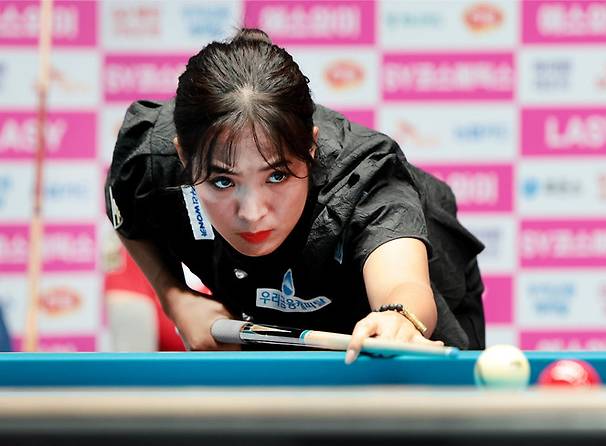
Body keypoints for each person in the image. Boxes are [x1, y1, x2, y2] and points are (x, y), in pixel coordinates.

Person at [105, 28, 485, 363]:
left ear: (312, 148)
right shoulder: (151, 157)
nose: (252, 213)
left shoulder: (363, 178)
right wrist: (175, 297)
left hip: (400, 329)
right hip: (264, 313)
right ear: (183, 156)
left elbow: (403, 281)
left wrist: (399, 317)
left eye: (277, 176)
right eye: (223, 181)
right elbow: (124, 210)